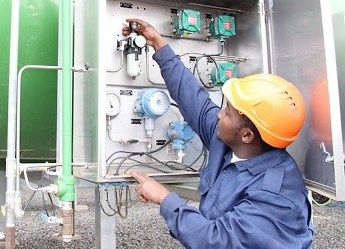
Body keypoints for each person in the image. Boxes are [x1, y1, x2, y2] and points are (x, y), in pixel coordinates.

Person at [125, 18, 313, 248]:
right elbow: (195, 100)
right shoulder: (229, 143)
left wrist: (164, 198)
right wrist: (158, 43)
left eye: (228, 111)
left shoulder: (275, 195)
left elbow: (216, 240)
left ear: (247, 135)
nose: (218, 114)